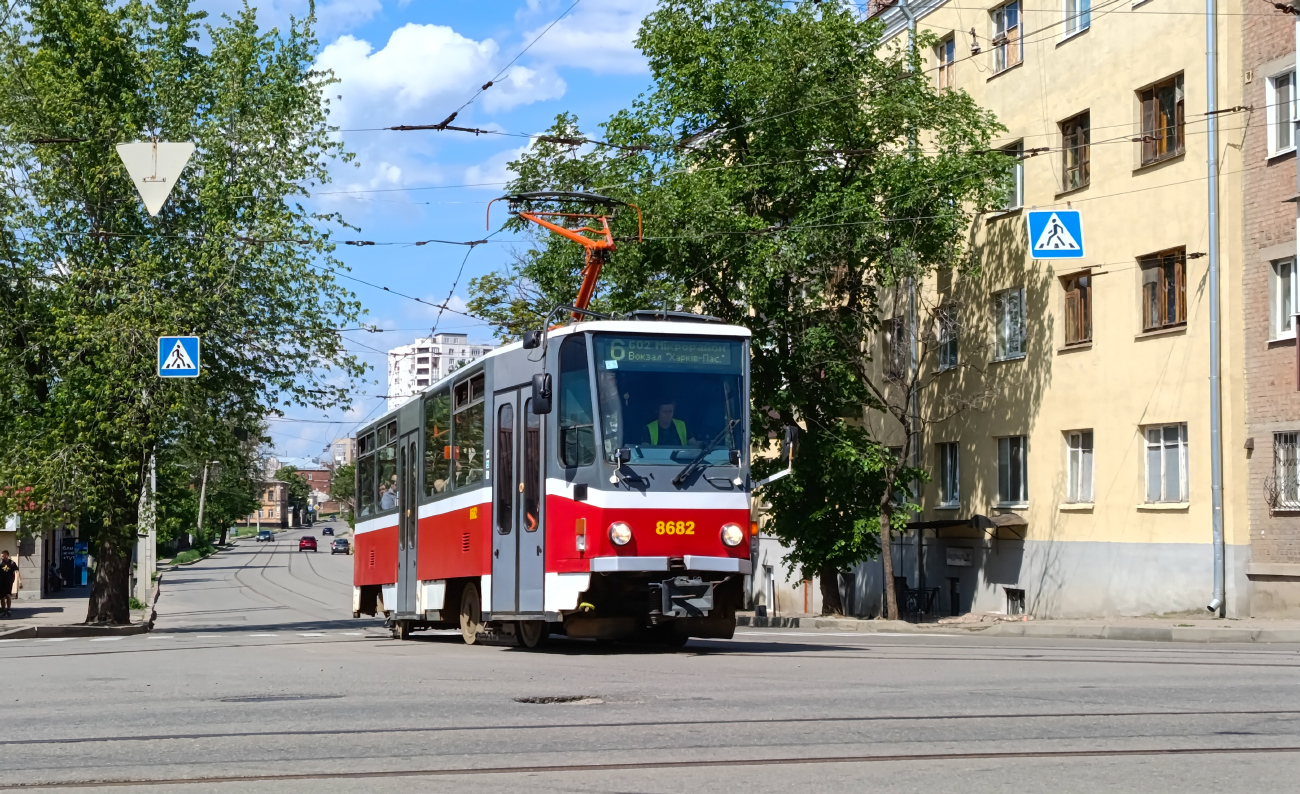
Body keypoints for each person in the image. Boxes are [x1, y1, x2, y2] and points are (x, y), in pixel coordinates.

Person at [0, 551, 19, 618]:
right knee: (2, 597)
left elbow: (17, 571)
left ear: (7, 556)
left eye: (2, 556)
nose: (1, 557)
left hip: (8, 582)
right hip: (1, 582)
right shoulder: (0, 563)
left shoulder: (12, 563)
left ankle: (8, 609)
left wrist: (19, 581)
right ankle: (3, 610)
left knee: (8, 595)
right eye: (1, 556)